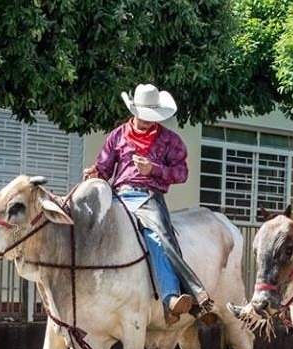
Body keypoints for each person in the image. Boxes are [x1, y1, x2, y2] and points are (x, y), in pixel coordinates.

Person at [83, 83, 212, 324]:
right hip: (118, 195)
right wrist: (95, 173)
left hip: (149, 197)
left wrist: (154, 169)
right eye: (141, 116)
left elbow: (181, 173)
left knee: (157, 238)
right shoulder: (117, 136)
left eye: (149, 117)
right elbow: (104, 167)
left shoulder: (170, 141)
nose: (144, 121)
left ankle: (171, 298)